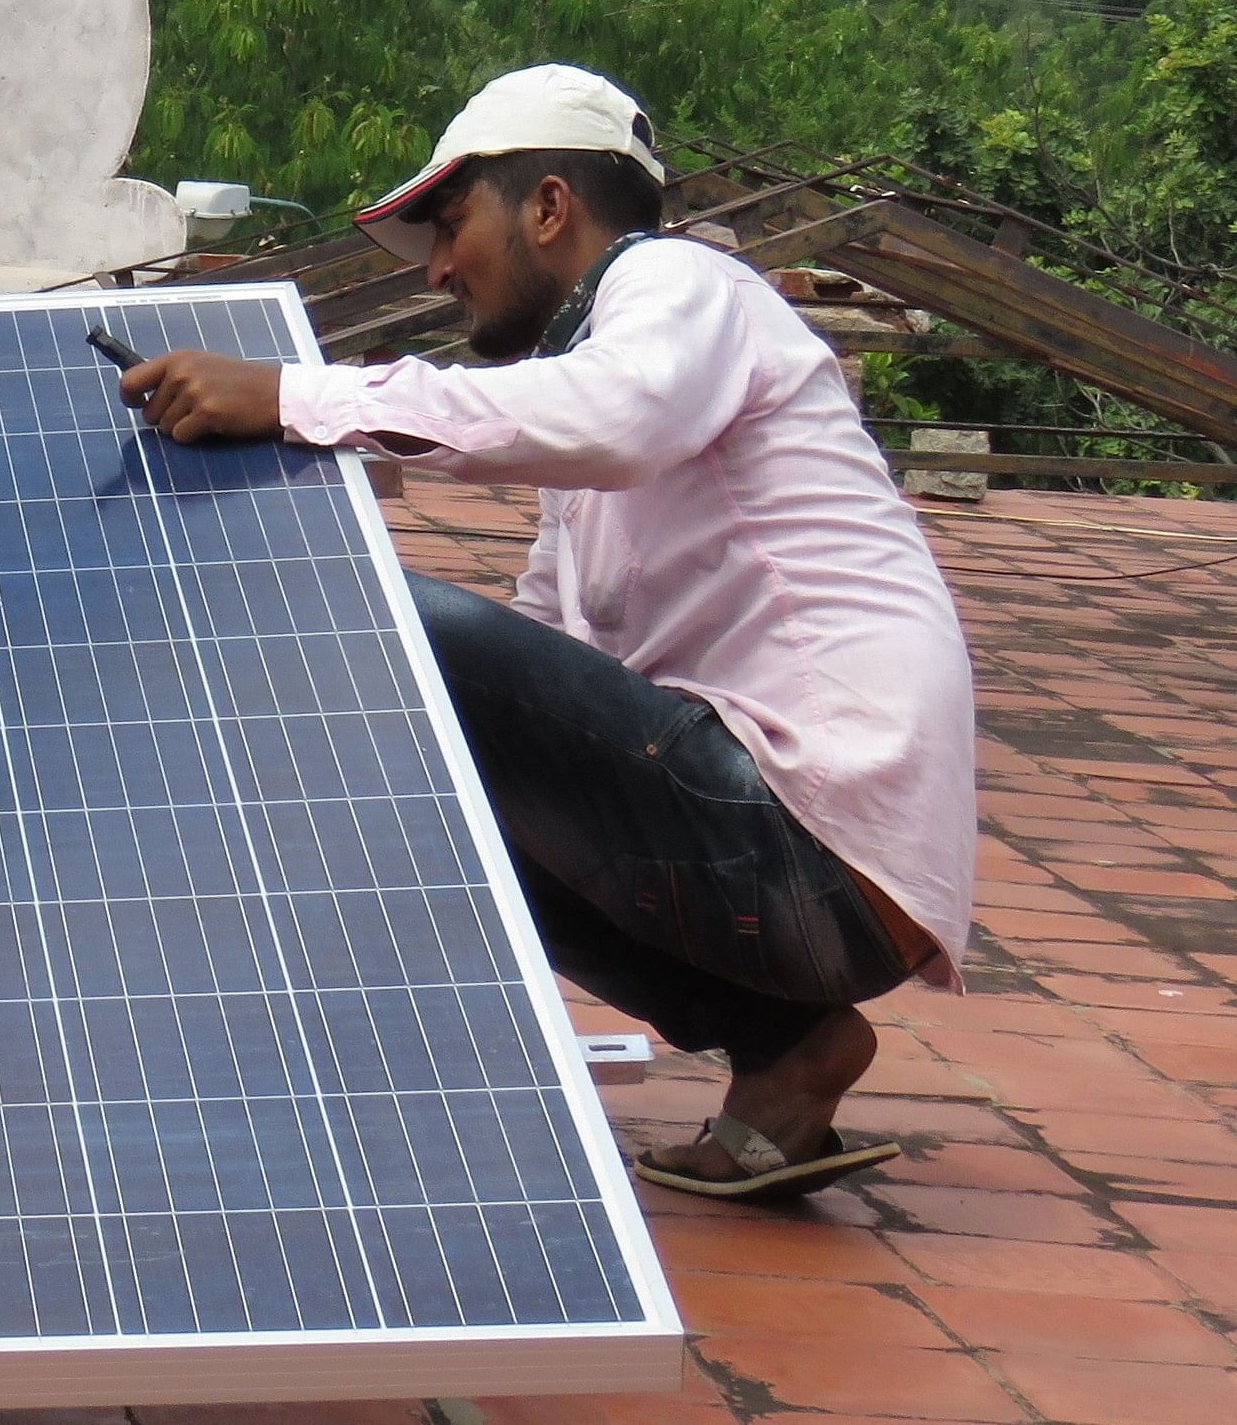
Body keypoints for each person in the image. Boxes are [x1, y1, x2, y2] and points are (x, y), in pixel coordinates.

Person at [120, 65, 974, 1203]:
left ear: (548, 207)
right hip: (793, 883)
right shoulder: (597, 427)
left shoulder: (679, 285)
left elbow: (610, 420)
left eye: (448, 224)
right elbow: (536, 675)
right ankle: (782, 1047)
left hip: (808, 838)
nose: (435, 268)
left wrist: (294, 399)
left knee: (381, 621)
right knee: (426, 764)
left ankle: (774, 1027)